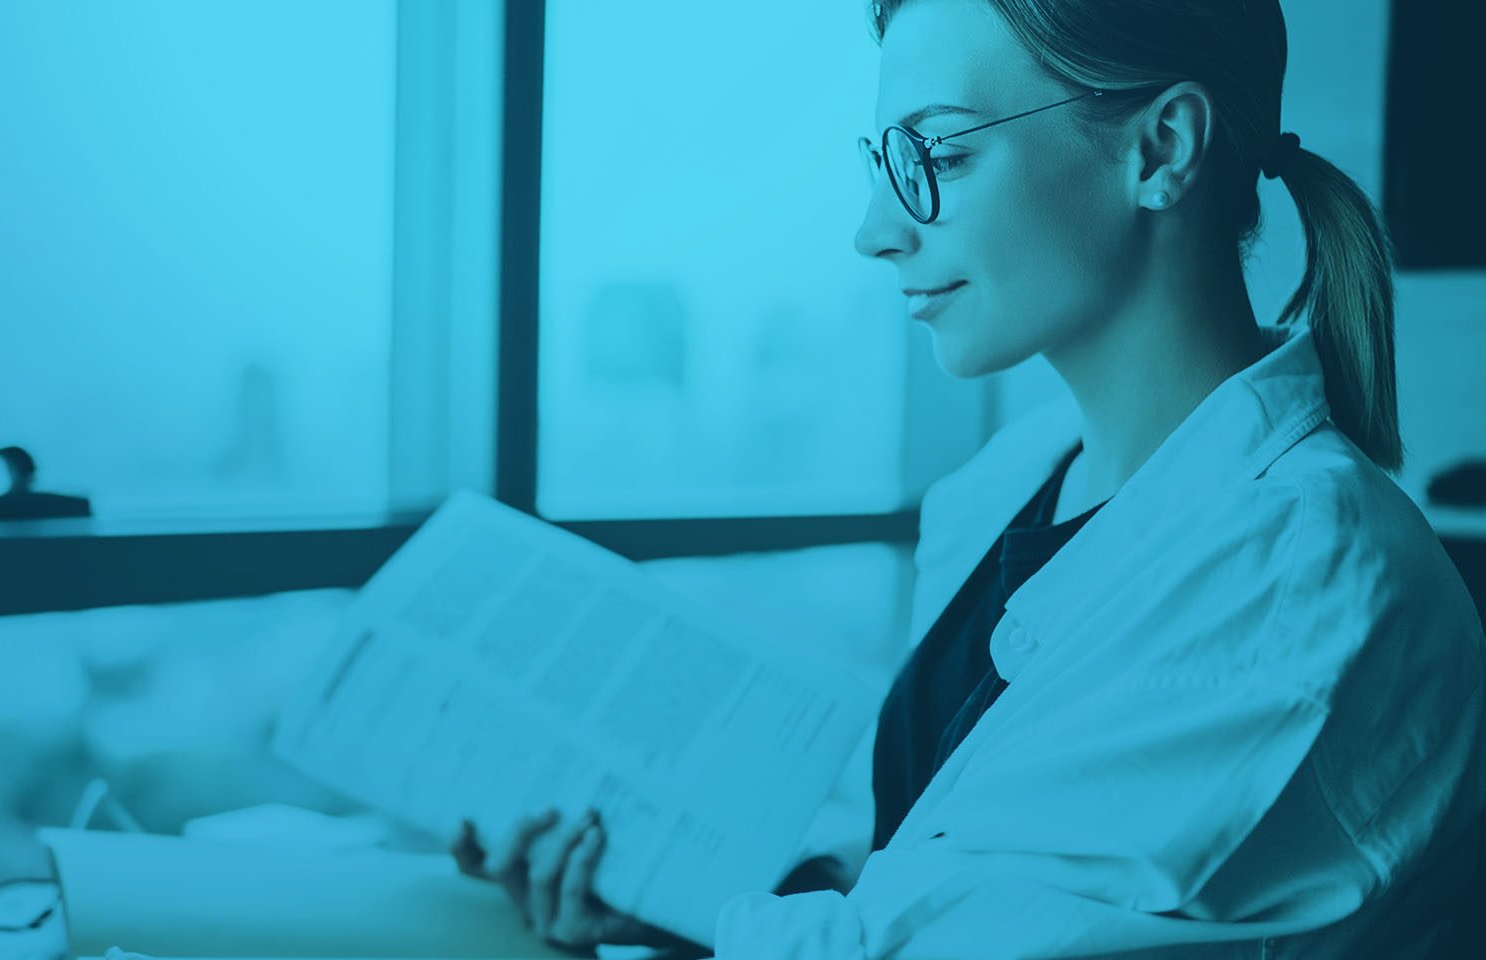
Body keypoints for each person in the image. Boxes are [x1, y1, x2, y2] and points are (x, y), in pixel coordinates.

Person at [451, 0, 1486, 956]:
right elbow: (941, 865)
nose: (875, 229)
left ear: (1161, 149)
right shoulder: (1007, 485)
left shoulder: (1302, 572)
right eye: (881, 160)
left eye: (935, 151)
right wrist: (673, 893)